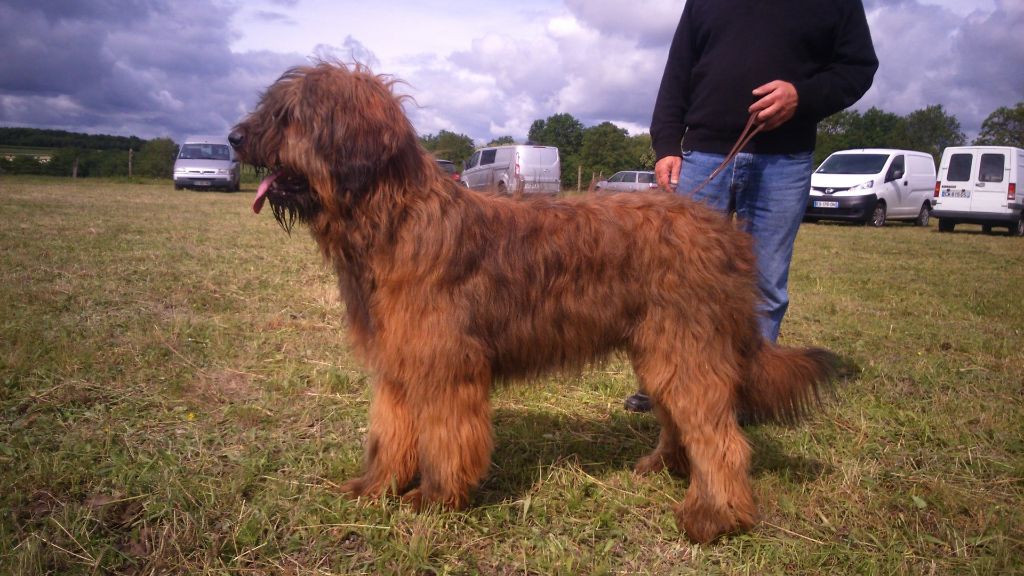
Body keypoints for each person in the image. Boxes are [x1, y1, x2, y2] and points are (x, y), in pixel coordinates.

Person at [623, 0, 878, 413]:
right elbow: (678, 69)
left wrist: (802, 95)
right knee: (671, 280)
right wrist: (667, 144)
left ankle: (743, 397)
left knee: (766, 284)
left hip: (784, 160)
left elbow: (858, 68)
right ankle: (665, 386)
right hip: (703, 154)